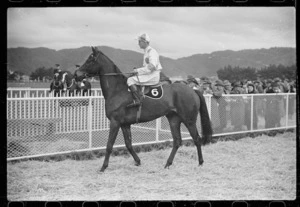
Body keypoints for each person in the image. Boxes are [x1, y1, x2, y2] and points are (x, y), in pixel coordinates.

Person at [127, 33, 162, 107]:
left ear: (144, 42)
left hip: (153, 76)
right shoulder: (147, 51)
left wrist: (137, 71)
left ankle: (137, 100)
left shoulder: (151, 52)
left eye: (139, 41)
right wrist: (137, 72)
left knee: (130, 80)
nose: (138, 43)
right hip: (150, 74)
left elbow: (152, 66)